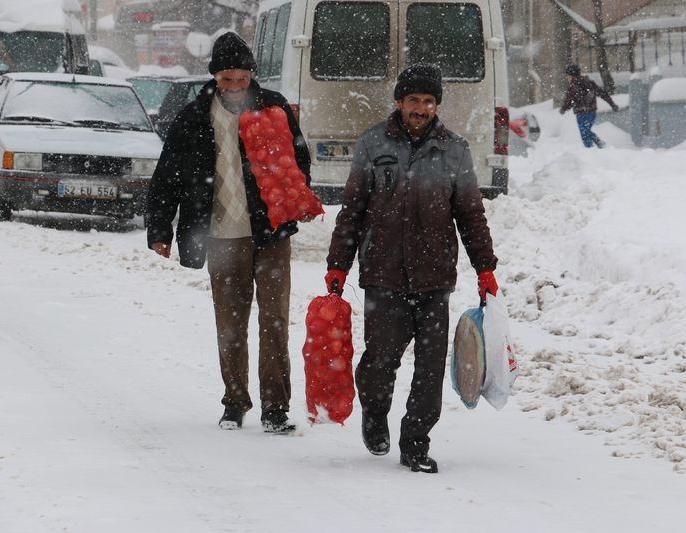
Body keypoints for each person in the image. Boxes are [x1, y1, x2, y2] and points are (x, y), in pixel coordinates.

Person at [324, 64, 499, 474]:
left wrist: (485, 267)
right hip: (383, 273)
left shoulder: (454, 150)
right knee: (379, 362)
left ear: (436, 104)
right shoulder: (373, 144)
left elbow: (471, 214)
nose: (421, 108)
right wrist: (338, 266)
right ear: (399, 101)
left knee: (430, 367)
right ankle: (374, 411)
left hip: (434, 276)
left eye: (429, 101)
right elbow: (352, 210)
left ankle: (415, 442)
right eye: (414, 100)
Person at [146, 32, 314, 434]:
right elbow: (167, 176)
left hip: (270, 232)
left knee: (274, 321)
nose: (235, 87)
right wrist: (160, 226)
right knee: (231, 322)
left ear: (251, 75)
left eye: (241, 79)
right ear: (215, 78)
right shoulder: (194, 117)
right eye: (227, 80)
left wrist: (297, 200)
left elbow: (299, 159)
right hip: (221, 234)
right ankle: (235, 402)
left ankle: (275, 407)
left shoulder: (273, 107)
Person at [559, 64, 619, 148]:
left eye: (567, 75)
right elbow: (602, 94)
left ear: (571, 75)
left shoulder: (572, 87)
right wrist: (612, 104)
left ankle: (590, 150)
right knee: (586, 131)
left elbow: (569, 101)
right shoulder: (589, 83)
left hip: (581, 113)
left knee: (584, 134)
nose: (566, 78)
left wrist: (563, 109)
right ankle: (598, 143)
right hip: (591, 113)